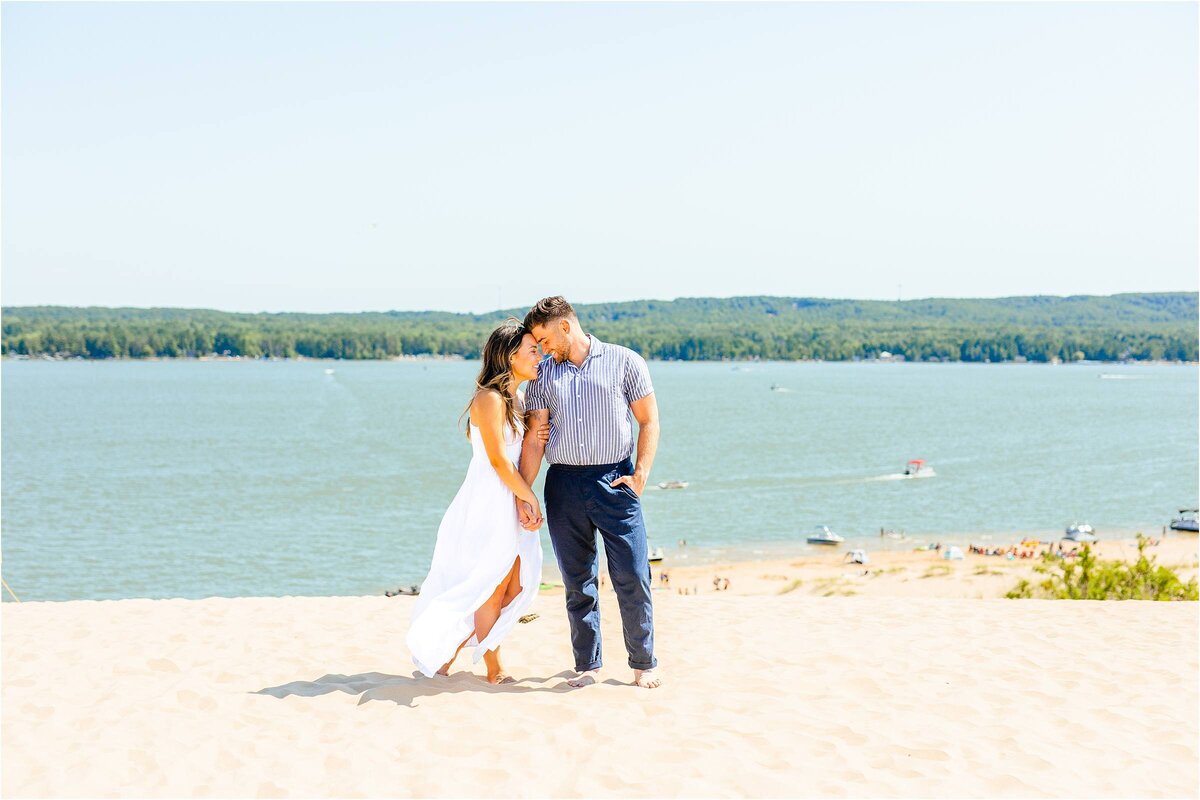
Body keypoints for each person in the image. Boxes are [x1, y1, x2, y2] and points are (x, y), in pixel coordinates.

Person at [517, 296, 663, 690]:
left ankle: (644, 662)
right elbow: (534, 440)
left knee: (632, 575)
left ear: (565, 326)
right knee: (577, 581)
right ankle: (588, 665)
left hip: (616, 481)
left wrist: (641, 476)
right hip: (563, 483)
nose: (542, 348)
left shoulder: (625, 361)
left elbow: (649, 421)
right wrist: (523, 493)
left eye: (544, 339)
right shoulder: (544, 375)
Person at [406, 319, 550, 684]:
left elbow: (519, 456)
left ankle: (450, 653)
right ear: (510, 355)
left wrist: (535, 430)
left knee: (513, 584)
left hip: (509, 495)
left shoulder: (517, 400)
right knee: (492, 582)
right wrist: (528, 497)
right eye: (533, 350)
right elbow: (499, 461)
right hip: (489, 499)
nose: (540, 356)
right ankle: (492, 667)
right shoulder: (488, 398)